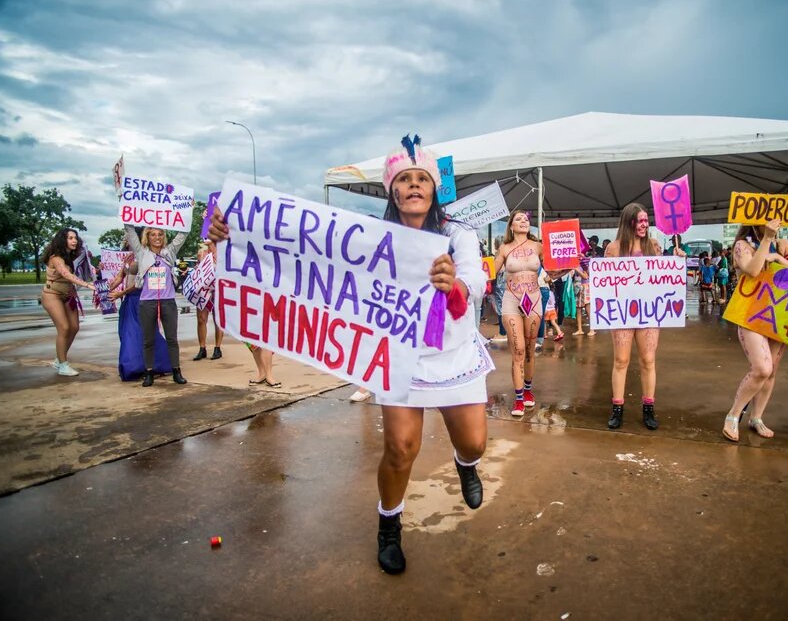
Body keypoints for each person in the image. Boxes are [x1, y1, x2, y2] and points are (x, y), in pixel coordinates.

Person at [209, 135, 491, 576]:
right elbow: (300, 252)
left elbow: (475, 285)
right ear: (391, 190)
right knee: (400, 448)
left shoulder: (459, 235)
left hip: (454, 353)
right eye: (404, 179)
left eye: (422, 179)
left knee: (474, 441)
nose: (414, 186)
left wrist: (453, 281)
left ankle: (466, 466)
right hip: (401, 355)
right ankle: (389, 526)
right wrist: (233, 236)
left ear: (435, 188)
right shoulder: (369, 236)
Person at [605, 203, 683, 431]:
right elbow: (605, 281)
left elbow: (664, 277)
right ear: (629, 222)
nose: (644, 224)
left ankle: (648, 407)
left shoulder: (654, 245)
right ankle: (617, 408)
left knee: (648, 360)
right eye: (640, 220)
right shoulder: (614, 248)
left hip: (649, 311)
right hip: (622, 311)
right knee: (621, 360)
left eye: (646, 220)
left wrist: (676, 261)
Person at [722, 220, 788, 441]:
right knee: (762, 369)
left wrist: (780, 257)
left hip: (778, 313)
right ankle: (733, 414)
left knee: (772, 370)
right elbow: (753, 270)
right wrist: (767, 241)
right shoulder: (741, 246)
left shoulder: (781, 244)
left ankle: (757, 417)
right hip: (751, 314)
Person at [124, 224, 190, 387]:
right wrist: (126, 204)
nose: (157, 237)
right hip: (148, 301)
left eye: (160, 234)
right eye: (153, 235)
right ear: (148, 237)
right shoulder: (142, 252)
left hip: (168, 300)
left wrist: (188, 213)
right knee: (148, 339)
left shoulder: (169, 252)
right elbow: (130, 232)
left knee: (172, 339)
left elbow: (183, 234)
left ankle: (176, 371)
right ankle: (149, 372)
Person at [494, 210, 544, 416]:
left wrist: (567, 264)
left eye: (525, 219)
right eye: (518, 219)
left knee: (531, 349)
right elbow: (491, 272)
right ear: (511, 226)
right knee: (519, 349)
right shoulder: (504, 248)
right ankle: (519, 398)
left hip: (534, 300)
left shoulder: (538, 246)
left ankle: (529, 390)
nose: (523, 221)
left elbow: (554, 269)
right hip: (512, 300)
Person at [108, 245, 172, 380]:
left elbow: (141, 282)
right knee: (127, 332)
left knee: (141, 332)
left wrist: (121, 293)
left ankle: (153, 364)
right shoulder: (128, 257)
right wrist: (104, 290)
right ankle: (136, 365)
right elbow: (120, 276)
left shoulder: (147, 256)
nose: (125, 238)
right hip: (129, 300)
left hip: (142, 298)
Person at [40, 228, 96, 376]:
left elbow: (85, 268)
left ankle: (59, 359)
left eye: (75, 238)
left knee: (74, 327)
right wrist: (87, 285)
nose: (74, 241)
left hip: (68, 296)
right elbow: (66, 274)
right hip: (52, 295)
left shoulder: (73, 256)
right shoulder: (56, 258)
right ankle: (63, 364)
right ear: (62, 240)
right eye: (70, 238)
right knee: (64, 328)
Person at [192, 242, 224, 361]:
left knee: (218, 320)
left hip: (218, 290)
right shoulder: (202, 252)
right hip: (203, 291)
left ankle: (217, 348)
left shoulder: (222, 252)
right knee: (201, 319)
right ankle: (202, 348)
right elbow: (198, 269)